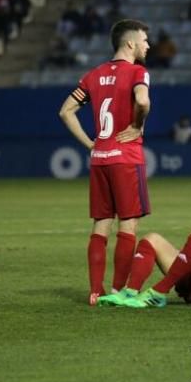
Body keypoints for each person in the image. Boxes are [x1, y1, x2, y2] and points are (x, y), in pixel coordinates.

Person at [58, 20, 152, 306]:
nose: (148, 45)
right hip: (126, 158)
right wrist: (137, 124)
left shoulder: (94, 75)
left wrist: (90, 143)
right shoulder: (138, 71)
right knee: (128, 226)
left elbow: (66, 111)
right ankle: (117, 289)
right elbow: (143, 101)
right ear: (130, 43)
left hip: (100, 160)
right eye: (145, 40)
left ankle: (95, 291)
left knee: (101, 226)